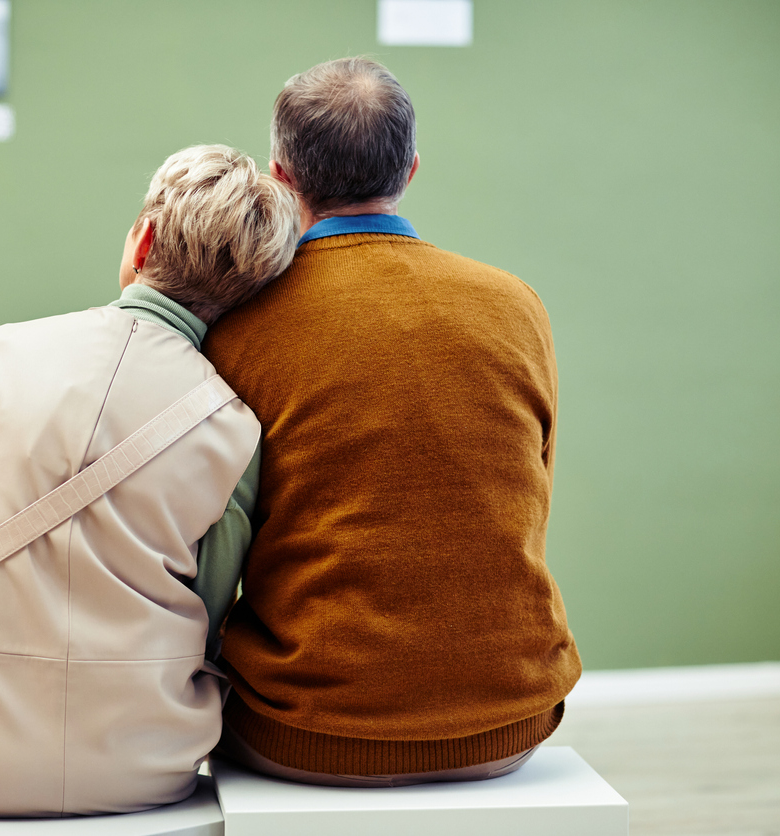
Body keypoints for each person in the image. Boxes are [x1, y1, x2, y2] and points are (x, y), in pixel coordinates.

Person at [0, 145, 300, 816]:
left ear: (144, 238)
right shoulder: (233, 427)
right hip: (140, 765)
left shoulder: (2, 353)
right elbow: (208, 620)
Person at [203, 57, 583, 787]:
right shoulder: (516, 306)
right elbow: (530, 497)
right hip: (510, 722)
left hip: (301, 733)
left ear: (280, 176)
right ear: (410, 169)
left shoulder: (238, 325)